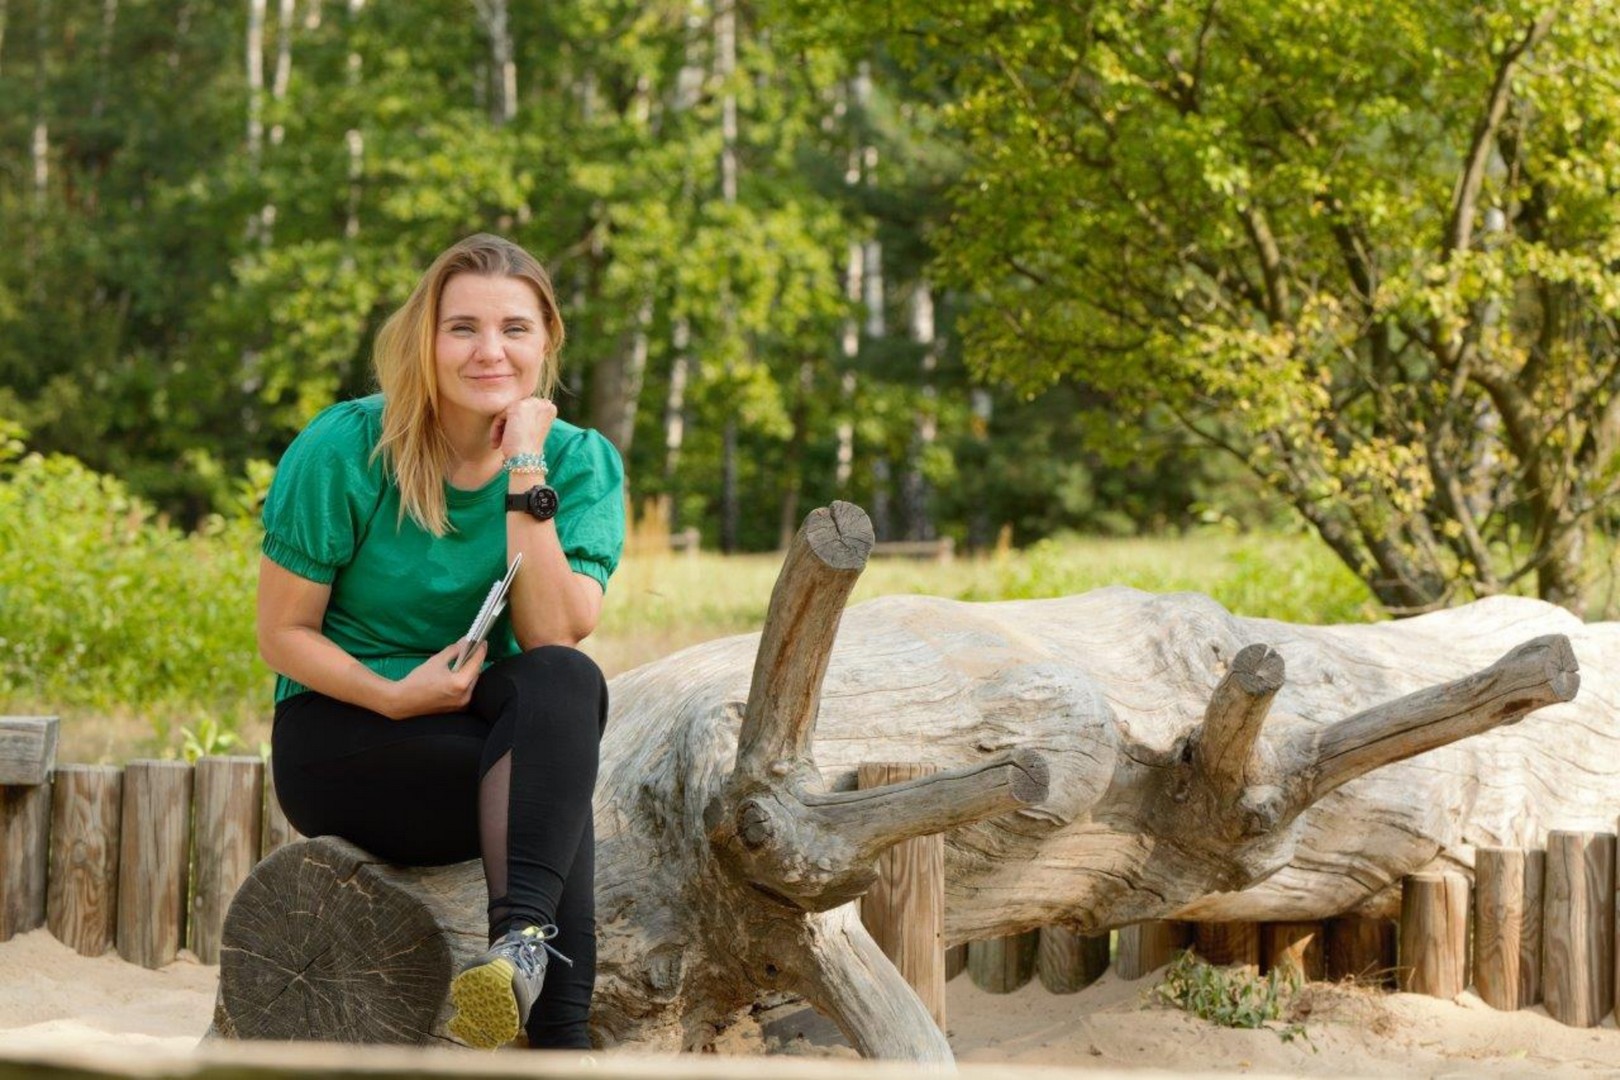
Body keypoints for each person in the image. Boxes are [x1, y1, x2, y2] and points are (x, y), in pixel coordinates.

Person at [255, 233, 624, 1051]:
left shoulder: (579, 462)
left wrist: (526, 464)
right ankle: (563, 1040)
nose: (489, 350)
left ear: (547, 342)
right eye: (462, 328)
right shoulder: (347, 448)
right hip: (349, 740)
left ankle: (518, 952)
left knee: (564, 684)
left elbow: (552, 632)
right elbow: (281, 635)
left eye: (514, 329)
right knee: (554, 799)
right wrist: (393, 694)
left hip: (478, 739)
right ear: (426, 339)